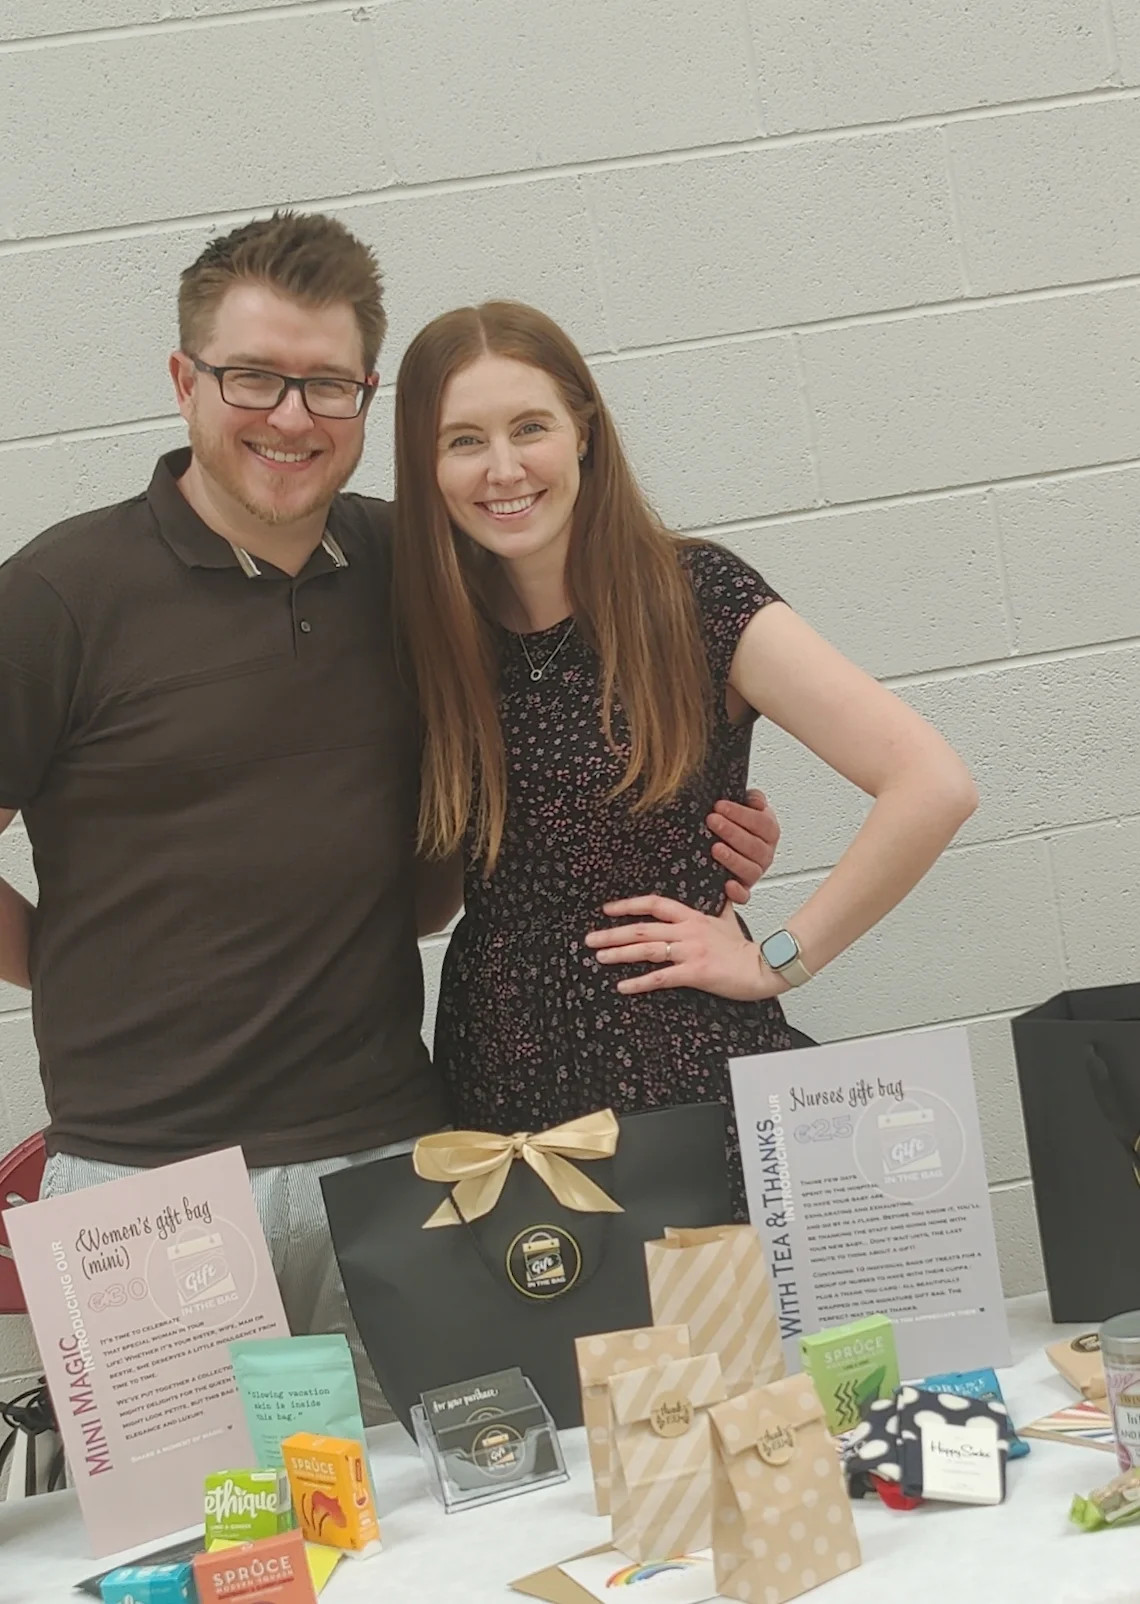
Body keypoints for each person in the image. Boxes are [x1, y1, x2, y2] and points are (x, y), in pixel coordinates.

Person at [0, 212, 779, 1414]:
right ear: (184, 381)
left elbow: (552, 739)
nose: (292, 416)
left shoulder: (418, 572)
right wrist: (68, 962)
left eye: (329, 383)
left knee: (439, 1500)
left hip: (395, 1162)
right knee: (206, 1523)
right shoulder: (58, 596)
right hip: (144, 1181)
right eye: (253, 377)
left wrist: (694, 823)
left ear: (367, 397)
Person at [393, 300, 979, 1218]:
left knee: (720, 1312)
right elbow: (446, 883)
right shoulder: (441, 634)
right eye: (464, 440)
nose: (503, 468)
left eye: (530, 427)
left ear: (583, 431)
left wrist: (777, 960)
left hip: (678, 1077)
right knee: (539, 1313)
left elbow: (932, 784)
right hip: (498, 1085)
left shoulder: (693, 598)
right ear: (426, 465)